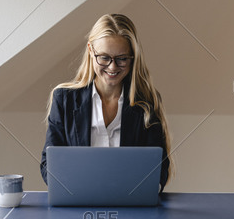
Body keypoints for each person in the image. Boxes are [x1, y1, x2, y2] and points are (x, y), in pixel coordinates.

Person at [40, 13, 172, 191]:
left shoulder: (147, 103)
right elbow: (48, 165)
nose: (112, 67)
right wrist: (74, 190)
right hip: (78, 204)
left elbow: (160, 168)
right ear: (90, 50)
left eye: (122, 59)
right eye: (104, 57)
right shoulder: (64, 99)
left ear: (133, 57)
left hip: (132, 210)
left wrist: (146, 191)